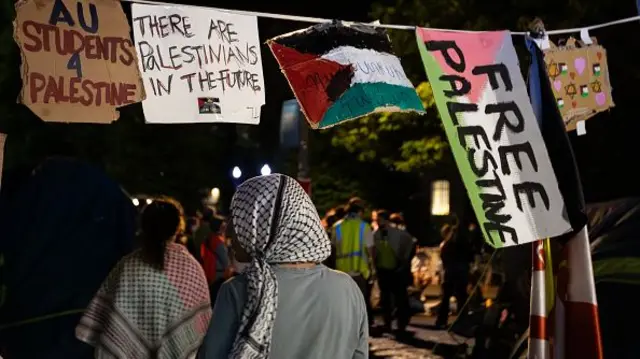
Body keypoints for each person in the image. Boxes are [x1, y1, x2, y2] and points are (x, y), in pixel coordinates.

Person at [197, 174, 368, 359]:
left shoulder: (239, 291)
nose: (229, 230)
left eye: (239, 219)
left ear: (265, 226)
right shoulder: (348, 289)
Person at [76, 198, 212, 358]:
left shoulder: (127, 266)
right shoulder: (191, 268)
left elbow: (109, 319)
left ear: (144, 226)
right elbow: (201, 325)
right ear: (177, 228)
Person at [331, 197, 375, 326]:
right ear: (360, 211)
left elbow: (333, 250)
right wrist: (373, 269)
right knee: (360, 303)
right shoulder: (364, 227)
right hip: (359, 271)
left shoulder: (337, 227)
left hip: (341, 271)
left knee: (343, 304)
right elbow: (371, 250)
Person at [374, 210, 415, 334]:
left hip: (395, 270)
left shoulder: (397, 234)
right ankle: (389, 323)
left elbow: (410, 244)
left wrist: (404, 261)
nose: (377, 222)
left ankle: (400, 324)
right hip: (383, 270)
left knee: (398, 298)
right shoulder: (376, 234)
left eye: (379, 219)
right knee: (386, 299)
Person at [435, 222, 471, 329]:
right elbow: (469, 257)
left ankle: (441, 320)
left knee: (446, 298)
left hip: (450, 272)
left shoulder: (447, 244)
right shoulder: (464, 244)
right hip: (461, 272)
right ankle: (462, 320)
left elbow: (443, 257)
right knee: (462, 298)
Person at [200, 214, 232, 305]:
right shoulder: (218, 242)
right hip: (219, 275)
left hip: (210, 273)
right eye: (224, 226)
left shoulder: (210, 238)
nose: (225, 228)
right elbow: (226, 262)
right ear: (220, 227)